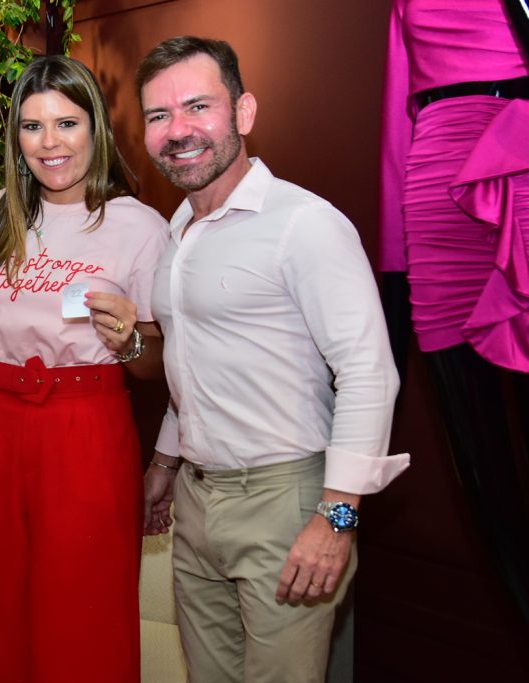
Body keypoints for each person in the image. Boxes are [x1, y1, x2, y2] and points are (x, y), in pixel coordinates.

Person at [137, 36, 410, 682]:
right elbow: (192, 366)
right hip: (196, 500)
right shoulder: (176, 233)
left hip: (286, 501)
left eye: (197, 106)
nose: (178, 130)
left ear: (244, 111)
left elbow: (370, 371)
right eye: (158, 115)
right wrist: (165, 463)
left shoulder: (303, 224)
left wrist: (337, 517)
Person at [0, 55, 169, 683]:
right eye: (32, 127)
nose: (49, 143)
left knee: (83, 611)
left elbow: (159, 365)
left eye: (66, 123)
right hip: (2, 428)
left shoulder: (139, 226)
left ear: (95, 128)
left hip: (87, 428)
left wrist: (129, 343)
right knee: (4, 606)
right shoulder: (0, 212)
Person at [380, 0, 529, 620]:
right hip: (437, 181)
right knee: (478, 451)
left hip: (522, 159)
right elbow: (397, 129)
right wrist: (394, 270)